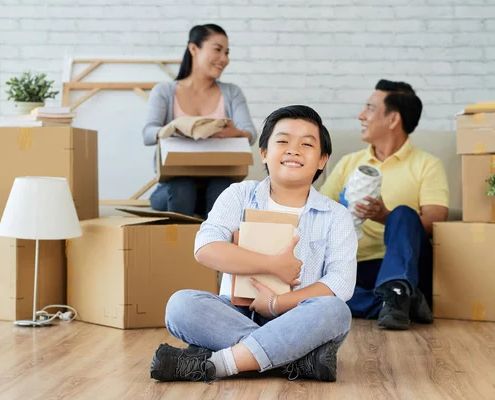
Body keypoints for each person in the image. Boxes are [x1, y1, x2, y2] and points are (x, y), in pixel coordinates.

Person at [149, 105, 357, 383]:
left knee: (335, 311)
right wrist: (274, 265)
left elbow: (340, 284)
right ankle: (297, 360)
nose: (293, 150)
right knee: (180, 305)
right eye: (282, 141)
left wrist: (275, 303)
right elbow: (206, 247)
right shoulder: (239, 194)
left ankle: (217, 364)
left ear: (322, 160)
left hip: (299, 318)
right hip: (233, 312)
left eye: (306, 144)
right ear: (264, 153)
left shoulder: (337, 215)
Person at [320, 79, 449, 330]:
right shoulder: (349, 162)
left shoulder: (427, 164)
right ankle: (396, 302)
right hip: (357, 266)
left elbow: (435, 221)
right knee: (318, 296)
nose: (361, 115)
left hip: (408, 266)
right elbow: (319, 209)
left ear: (393, 119)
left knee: (402, 214)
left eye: (369, 108)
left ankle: (397, 287)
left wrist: (384, 216)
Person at [142, 24, 257, 218]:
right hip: (173, 185)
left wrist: (236, 133)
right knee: (182, 186)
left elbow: (250, 133)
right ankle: (178, 247)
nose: (224, 59)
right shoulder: (164, 91)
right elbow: (147, 134)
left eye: (227, 52)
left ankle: (214, 245)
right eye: (218, 50)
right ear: (194, 49)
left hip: (219, 180)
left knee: (224, 189)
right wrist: (172, 129)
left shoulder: (231, 92)